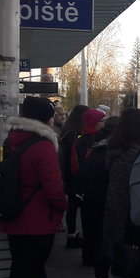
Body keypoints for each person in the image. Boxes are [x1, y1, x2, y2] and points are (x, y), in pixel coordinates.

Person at [0, 97, 66, 278]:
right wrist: (63, 206)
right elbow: (54, 188)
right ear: (45, 119)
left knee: (18, 271)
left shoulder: (12, 140)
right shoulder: (43, 146)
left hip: (15, 217)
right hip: (37, 220)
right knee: (31, 276)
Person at [101, 108, 140, 278]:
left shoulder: (112, 149)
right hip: (134, 210)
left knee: (118, 257)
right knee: (135, 256)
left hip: (113, 209)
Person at [74, 111, 114, 278]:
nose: (103, 123)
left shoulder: (95, 142)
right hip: (93, 195)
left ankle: (90, 258)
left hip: (90, 194)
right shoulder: (85, 142)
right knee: (97, 235)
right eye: (101, 120)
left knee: (94, 232)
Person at [58, 104, 88, 248]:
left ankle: (72, 233)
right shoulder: (75, 135)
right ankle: (73, 235)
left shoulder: (66, 131)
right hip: (74, 174)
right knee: (77, 204)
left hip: (68, 174)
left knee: (73, 205)